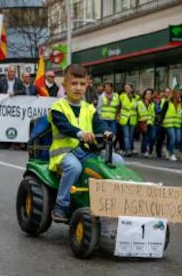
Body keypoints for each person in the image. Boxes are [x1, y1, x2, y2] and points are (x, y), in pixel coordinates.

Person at [48, 64, 124, 223]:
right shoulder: (57, 107)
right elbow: (64, 126)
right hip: (64, 153)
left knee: (117, 160)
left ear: (87, 85)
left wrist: (107, 132)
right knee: (74, 167)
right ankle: (61, 205)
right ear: (65, 85)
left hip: (89, 151)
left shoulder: (89, 108)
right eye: (74, 83)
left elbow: (99, 125)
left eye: (82, 84)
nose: (78, 88)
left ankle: (112, 203)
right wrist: (80, 133)